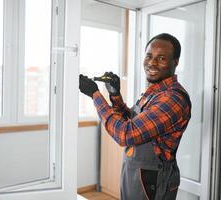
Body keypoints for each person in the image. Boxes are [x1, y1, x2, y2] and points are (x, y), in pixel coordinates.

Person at [79, 33, 191, 200]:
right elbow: (131, 121)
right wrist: (114, 94)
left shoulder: (172, 98)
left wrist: (95, 94)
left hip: (153, 178)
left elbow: (126, 134)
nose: (152, 63)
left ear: (175, 62)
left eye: (161, 58)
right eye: (149, 56)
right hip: (137, 172)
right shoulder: (155, 92)